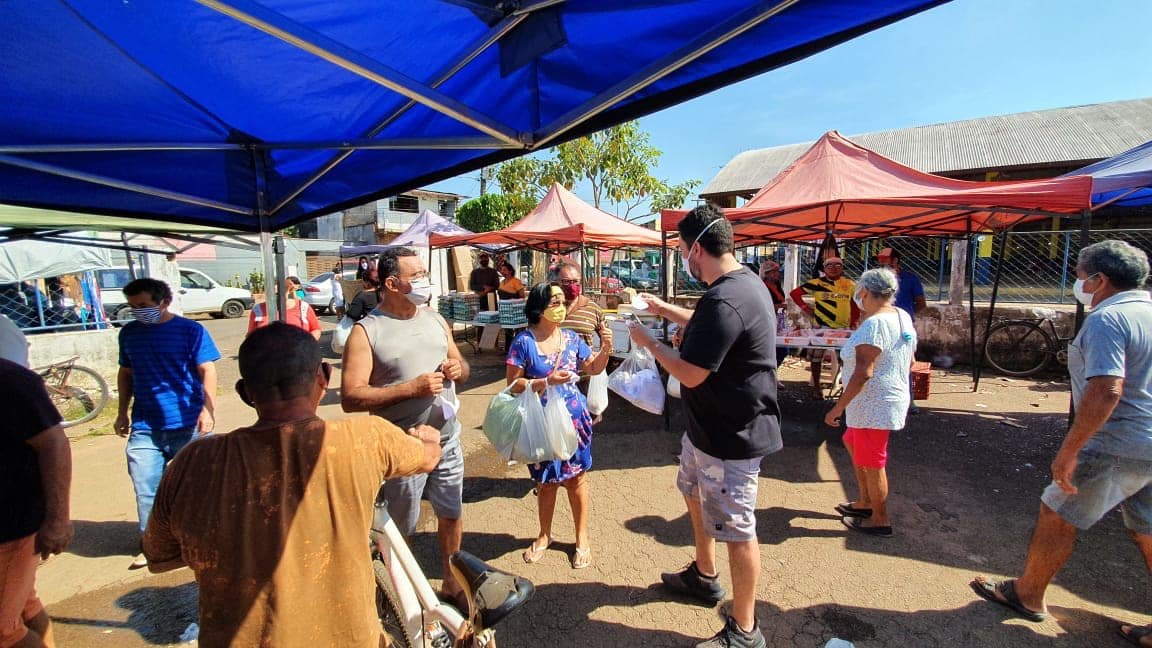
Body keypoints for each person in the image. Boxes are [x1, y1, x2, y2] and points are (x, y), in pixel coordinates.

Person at [143, 323, 442, 647]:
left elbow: (158, 552)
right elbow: (427, 458)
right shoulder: (366, 439)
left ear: (245, 393)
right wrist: (429, 438)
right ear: (324, 377)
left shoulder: (194, 462)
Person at [969, 240, 1152, 645]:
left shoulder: (1109, 320)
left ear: (1100, 280)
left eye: (1081, 276)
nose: (1078, 283)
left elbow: (1107, 388)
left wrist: (1070, 450)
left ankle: (1027, 594)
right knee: (1148, 529)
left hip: (1116, 442)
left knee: (1057, 512)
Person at [629, 204, 778, 648]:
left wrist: (649, 342)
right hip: (707, 431)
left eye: (680, 250)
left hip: (731, 436)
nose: (681, 258)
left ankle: (745, 629)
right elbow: (711, 327)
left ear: (696, 250)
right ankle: (704, 574)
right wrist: (665, 309)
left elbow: (691, 372)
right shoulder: (742, 284)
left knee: (737, 529)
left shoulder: (726, 296)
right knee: (692, 493)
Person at [341, 247, 471, 604]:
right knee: (401, 529)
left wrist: (459, 368)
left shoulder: (435, 319)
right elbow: (350, 397)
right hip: (400, 449)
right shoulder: (367, 332)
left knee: (451, 513)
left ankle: (451, 582)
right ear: (392, 283)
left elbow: (460, 363)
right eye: (417, 276)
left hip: (447, 439)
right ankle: (404, 597)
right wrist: (409, 389)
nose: (426, 281)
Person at [114, 278, 219, 570]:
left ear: (164, 302)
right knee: (146, 487)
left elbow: (207, 369)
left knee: (199, 486)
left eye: (144, 306)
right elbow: (126, 374)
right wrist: (122, 412)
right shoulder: (130, 334)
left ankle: (202, 540)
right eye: (133, 306)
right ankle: (154, 547)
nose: (138, 311)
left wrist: (207, 410)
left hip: (188, 424)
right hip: (146, 426)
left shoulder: (190, 331)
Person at [506, 283, 609, 570]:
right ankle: (544, 535)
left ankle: (581, 537)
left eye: (563, 301)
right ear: (539, 308)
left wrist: (606, 347)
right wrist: (546, 382)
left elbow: (594, 368)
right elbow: (513, 386)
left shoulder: (572, 338)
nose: (562, 306)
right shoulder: (523, 342)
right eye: (555, 302)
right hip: (540, 425)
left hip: (574, 423)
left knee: (576, 481)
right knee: (546, 483)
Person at [822, 268, 916, 537]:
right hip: (880, 400)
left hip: (874, 404)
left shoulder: (875, 325)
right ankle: (864, 502)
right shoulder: (901, 316)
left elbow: (864, 371)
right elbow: (910, 358)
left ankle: (880, 519)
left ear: (864, 292)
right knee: (851, 441)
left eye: (859, 293)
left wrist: (837, 407)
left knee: (874, 463)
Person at [0, 359, 71, 648]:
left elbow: (54, 443)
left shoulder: (9, 380)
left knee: (4, 632)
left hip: (11, 527)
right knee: (24, 609)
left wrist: (58, 520)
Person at [790, 256, 859, 393]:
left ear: (842, 268)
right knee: (816, 357)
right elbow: (795, 293)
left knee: (846, 358)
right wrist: (805, 307)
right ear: (824, 269)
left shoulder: (850, 284)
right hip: (821, 327)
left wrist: (854, 321)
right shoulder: (816, 283)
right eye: (830, 266)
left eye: (838, 265)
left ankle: (846, 389)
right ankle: (816, 387)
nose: (834, 268)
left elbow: (855, 304)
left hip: (843, 328)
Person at [247, 277, 322, 341]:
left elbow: (316, 329)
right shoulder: (258, 310)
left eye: (278, 293)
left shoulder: (303, 305)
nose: (274, 297)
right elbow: (250, 336)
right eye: (270, 293)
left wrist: (307, 343)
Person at [875, 248, 926, 318]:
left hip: (904, 320)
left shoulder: (911, 279)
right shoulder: (875, 279)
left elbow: (921, 304)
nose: (880, 263)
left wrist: (911, 319)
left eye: (884, 259)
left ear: (895, 260)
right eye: (879, 259)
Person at [154, 252, 184, 316]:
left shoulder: (173, 264)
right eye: (172, 255)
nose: (174, 257)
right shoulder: (165, 264)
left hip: (173, 290)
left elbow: (176, 279)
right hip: (169, 289)